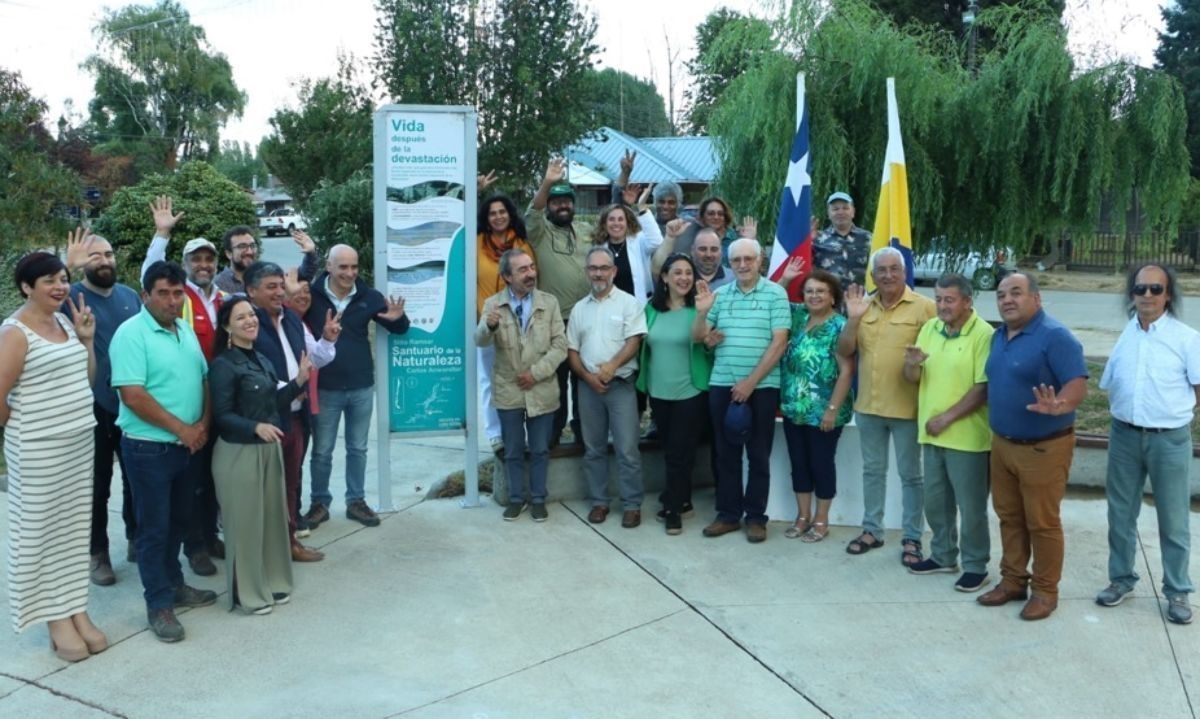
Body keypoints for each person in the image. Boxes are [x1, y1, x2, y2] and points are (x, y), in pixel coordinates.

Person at [0, 245, 108, 661]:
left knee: (72, 530)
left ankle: (75, 607)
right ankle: (54, 618)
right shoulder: (14, 331)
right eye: (50, 281)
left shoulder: (65, 321)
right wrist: (24, 423)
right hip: (39, 449)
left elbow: (87, 379)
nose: (61, 287)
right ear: (27, 287)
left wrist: (87, 340)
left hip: (77, 442)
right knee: (41, 534)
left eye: (63, 279)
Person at [110, 260, 217, 643]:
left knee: (178, 521)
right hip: (149, 450)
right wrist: (184, 430)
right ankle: (158, 604)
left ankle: (175, 585)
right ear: (145, 295)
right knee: (153, 529)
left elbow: (203, 379)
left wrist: (202, 424)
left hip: (188, 447)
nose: (172, 301)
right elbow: (133, 395)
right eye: (163, 294)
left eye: (177, 294)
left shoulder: (184, 330)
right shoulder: (131, 334)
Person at [977, 272, 1087, 621]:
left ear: (1036, 299)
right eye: (1001, 294)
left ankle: (1045, 591)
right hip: (1003, 444)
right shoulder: (999, 336)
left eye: (1016, 293)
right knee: (1009, 517)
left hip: (1043, 447)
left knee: (1042, 522)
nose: (1007, 299)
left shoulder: (1054, 337)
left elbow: (1077, 382)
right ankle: (1013, 581)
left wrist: (1062, 405)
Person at [1096, 263, 1200, 625]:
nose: (1147, 296)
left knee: (1173, 520)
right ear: (1132, 294)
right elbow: (1111, 384)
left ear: (1168, 295)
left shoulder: (1187, 338)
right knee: (1120, 515)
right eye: (1140, 289)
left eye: (1156, 289)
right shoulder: (1128, 334)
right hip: (1124, 435)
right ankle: (1121, 579)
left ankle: (1177, 591)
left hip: (1168, 440)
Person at [140, 196, 235, 577]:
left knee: (214, 477)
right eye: (196, 259)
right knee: (192, 482)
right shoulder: (177, 297)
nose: (203, 265)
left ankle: (210, 536)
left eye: (209, 259)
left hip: (220, 401)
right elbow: (150, 276)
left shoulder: (225, 297)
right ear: (185, 265)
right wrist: (161, 234)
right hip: (188, 403)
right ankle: (194, 546)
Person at [209, 297, 311, 614]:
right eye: (241, 318)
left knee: (270, 522)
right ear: (227, 326)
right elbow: (222, 415)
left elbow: (273, 401)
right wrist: (255, 427)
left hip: (267, 452)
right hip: (239, 456)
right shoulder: (223, 366)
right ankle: (246, 593)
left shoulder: (262, 360)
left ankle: (271, 581)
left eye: (251, 315)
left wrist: (299, 382)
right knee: (245, 526)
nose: (250, 321)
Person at [838, 246, 936, 563]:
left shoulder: (925, 308)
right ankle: (872, 530)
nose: (888, 275)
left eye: (894, 269)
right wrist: (853, 320)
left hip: (908, 409)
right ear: (873, 274)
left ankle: (911, 537)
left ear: (904, 272)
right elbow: (844, 350)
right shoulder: (862, 306)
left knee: (911, 476)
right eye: (881, 270)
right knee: (873, 472)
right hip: (869, 407)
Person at [301, 244, 409, 529]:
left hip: (361, 385)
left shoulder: (369, 296)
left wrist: (399, 319)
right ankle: (319, 503)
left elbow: (397, 326)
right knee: (322, 450)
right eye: (343, 267)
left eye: (354, 267)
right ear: (329, 266)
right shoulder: (311, 296)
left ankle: (356, 501)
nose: (349, 273)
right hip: (325, 386)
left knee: (358, 448)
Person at [693, 238, 790, 543]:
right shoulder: (719, 296)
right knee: (725, 453)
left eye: (749, 259)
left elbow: (779, 342)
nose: (743, 265)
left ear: (760, 261)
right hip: (722, 383)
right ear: (729, 263)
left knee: (759, 454)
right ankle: (728, 515)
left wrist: (750, 382)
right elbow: (699, 338)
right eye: (737, 260)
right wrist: (701, 315)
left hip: (762, 387)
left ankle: (757, 518)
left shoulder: (776, 294)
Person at [902, 273, 994, 592]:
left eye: (949, 300)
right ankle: (942, 555)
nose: (942, 305)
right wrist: (912, 364)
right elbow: (913, 376)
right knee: (936, 502)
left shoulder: (983, 334)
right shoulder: (930, 328)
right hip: (932, 434)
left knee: (971, 508)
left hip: (967, 438)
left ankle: (975, 565)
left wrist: (947, 418)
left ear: (967, 302)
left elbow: (983, 388)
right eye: (939, 299)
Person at [244, 261, 336, 561]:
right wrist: (295, 383)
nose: (279, 292)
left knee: (291, 484)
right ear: (251, 291)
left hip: (296, 416)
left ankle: (290, 542)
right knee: (263, 490)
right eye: (271, 287)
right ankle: (265, 550)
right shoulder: (247, 323)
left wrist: (328, 339)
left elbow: (314, 359)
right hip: (264, 420)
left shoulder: (293, 319)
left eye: (281, 286)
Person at [63, 231, 139, 587]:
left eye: (108, 254)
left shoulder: (129, 296)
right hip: (91, 408)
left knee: (135, 477)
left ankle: (136, 538)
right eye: (95, 256)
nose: (105, 261)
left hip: (132, 403)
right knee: (97, 486)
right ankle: (98, 553)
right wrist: (66, 269)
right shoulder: (69, 296)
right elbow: (35, 302)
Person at [476, 248, 566, 521]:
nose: (530, 274)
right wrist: (488, 327)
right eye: (522, 270)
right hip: (509, 389)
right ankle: (516, 499)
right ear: (506, 276)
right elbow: (480, 341)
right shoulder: (493, 305)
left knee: (539, 448)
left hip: (541, 387)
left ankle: (538, 498)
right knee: (513, 450)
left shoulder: (549, 303)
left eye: (531, 267)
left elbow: (560, 346)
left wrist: (536, 373)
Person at [568, 246, 647, 528]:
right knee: (594, 449)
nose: (598, 273)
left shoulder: (628, 304)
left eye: (604, 268)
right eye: (593, 268)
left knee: (627, 449)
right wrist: (589, 378)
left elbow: (633, 341)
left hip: (621, 385)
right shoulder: (579, 309)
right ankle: (599, 502)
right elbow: (573, 351)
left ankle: (632, 504)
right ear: (587, 272)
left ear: (613, 271)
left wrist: (611, 367)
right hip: (589, 388)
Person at [635, 253, 713, 535]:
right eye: (677, 272)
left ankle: (673, 509)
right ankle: (684, 498)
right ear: (664, 277)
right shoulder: (651, 309)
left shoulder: (700, 308)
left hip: (690, 391)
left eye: (688, 273)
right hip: (658, 391)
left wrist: (703, 314)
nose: (683, 278)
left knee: (679, 453)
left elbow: (699, 340)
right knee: (671, 449)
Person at [776, 264, 854, 543]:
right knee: (798, 463)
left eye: (821, 291)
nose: (814, 296)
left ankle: (822, 519)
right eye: (809, 291)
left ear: (833, 296)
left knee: (821, 463)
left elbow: (846, 371)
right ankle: (802, 516)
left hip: (825, 412)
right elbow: (774, 299)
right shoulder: (796, 317)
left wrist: (832, 409)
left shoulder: (840, 326)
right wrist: (785, 279)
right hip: (793, 408)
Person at [525, 157, 592, 447]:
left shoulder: (586, 230)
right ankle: (549, 441)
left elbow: (619, 224)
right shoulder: (539, 232)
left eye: (566, 201)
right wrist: (547, 182)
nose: (562, 206)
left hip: (585, 321)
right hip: (553, 322)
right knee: (553, 383)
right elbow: (534, 211)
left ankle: (583, 434)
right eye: (556, 202)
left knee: (582, 381)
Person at [476, 190, 534, 457]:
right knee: (489, 380)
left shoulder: (522, 244)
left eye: (502, 211)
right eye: (492, 213)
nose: (498, 217)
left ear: (510, 215)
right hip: (490, 321)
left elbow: (534, 279)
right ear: (486, 219)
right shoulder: (476, 244)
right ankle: (495, 435)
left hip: (520, 322)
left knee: (518, 378)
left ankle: (520, 433)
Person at [592, 196, 663, 305]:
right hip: (609, 306)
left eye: (621, 219)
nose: (616, 223)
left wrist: (642, 207)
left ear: (627, 223)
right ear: (604, 224)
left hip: (637, 305)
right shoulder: (599, 247)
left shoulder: (638, 240)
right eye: (611, 219)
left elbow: (657, 241)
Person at [813, 191, 872, 291]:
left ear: (853, 212)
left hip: (862, 301)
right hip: (829, 302)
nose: (840, 212)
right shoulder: (818, 240)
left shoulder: (868, 238)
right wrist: (807, 241)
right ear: (828, 213)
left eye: (845, 208)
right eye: (835, 209)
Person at [214, 225, 261, 295]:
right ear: (229, 254)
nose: (249, 251)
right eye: (242, 246)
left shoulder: (263, 278)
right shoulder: (218, 285)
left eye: (252, 246)